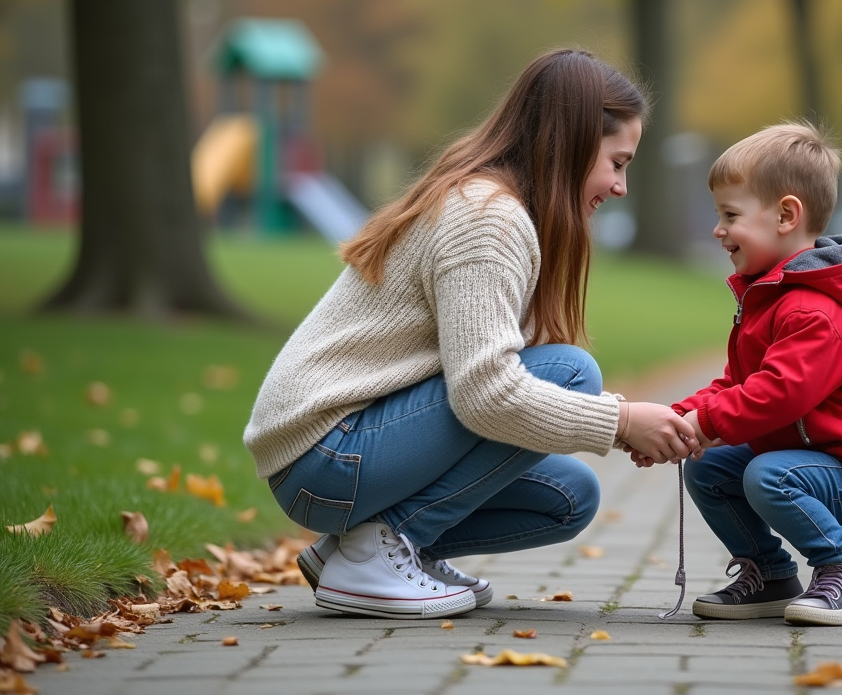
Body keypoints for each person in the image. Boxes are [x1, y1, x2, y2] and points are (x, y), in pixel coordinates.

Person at [243, 49, 698, 620]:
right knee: (571, 372)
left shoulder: (498, 207)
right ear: (574, 142)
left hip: (339, 455)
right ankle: (377, 553)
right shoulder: (487, 218)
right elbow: (486, 393)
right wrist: (621, 421)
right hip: (325, 455)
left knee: (570, 496)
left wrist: (626, 425)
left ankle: (356, 552)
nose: (621, 186)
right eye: (617, 162)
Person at [627, 122, 842, 626]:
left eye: (730, 215)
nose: (718, 229)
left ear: (785, 216)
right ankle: (772, 575)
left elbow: (779, 393)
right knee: (710, 468)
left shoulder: (814, 309)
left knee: (767, 475)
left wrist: (703, 423)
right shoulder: (769, 297)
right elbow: (736, 385)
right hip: (805, 457)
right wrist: (676, 420)